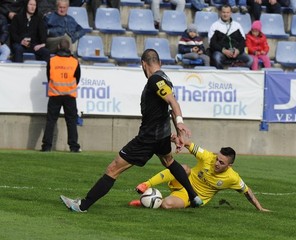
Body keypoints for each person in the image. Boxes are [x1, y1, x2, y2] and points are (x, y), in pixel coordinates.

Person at [60, 49, 203, 212]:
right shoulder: (165, 78)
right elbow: (169, 107)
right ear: (160, 63)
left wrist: (180, 122)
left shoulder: (155, 79)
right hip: (162, 135)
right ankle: (193, 196)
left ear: (143, 64)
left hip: (148, 137)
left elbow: (172, 102)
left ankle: (82, 206)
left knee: (113, 168)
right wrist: (178, 131)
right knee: (168, 161)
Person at [129, 133, 270, 211]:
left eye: (222, 162)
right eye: (217, 159)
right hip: (182, 182)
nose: (216, 163)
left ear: (230, 165)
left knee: (167, 205)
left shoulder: (232, 178)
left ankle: (144, 202)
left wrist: (260, 208)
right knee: (183, 168)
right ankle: (146, 185)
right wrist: (177, 140)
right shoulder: (208, 157)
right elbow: (189, 144)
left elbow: (247, 191)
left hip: (193, 198)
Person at [41, 38, 81, 152]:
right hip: (70, 95)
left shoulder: (52, 61)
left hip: (55, 94)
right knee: (71, 121)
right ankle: (74, 147)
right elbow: (77, 78)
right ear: (68, 48)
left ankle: (46, 146)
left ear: (58, 47)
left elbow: (49, 76)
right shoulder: (74, 61)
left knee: (51, 120)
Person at [208, 4, 253, 69]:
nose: (225, 14)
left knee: (250, 60)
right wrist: (223, 50)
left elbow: (243, 41)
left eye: (227, 12)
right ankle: (222, 76)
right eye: (224, 12)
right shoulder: (214, 26)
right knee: (216, 57)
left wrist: (238, 50)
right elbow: (212, 43)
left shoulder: (237, 25)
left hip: (236, 53)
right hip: (222, 53)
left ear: (231, 13)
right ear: (220, 13)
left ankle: (237, 72)